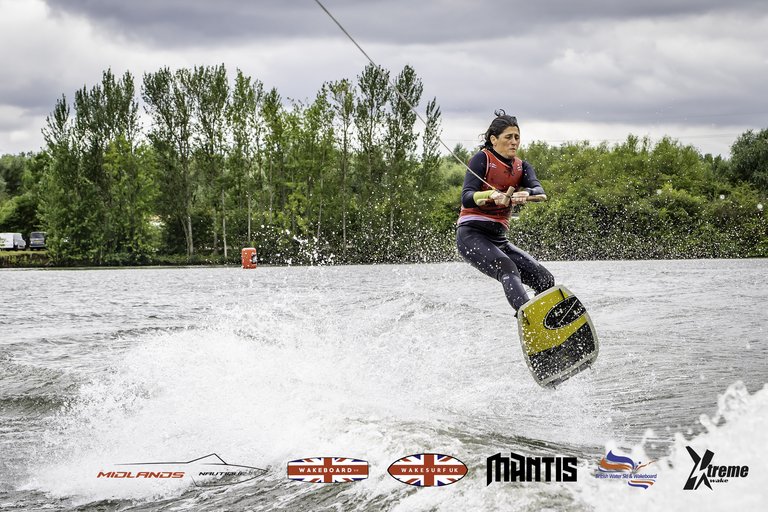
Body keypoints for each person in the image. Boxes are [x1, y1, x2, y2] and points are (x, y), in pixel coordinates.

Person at [456, 110, 554, 311]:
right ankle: (528, 318)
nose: (514, 142)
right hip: (471, 235)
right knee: (507, 268)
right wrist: (489, 195)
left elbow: (539, 191)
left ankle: (551, 325)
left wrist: (526, 193)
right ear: (494, 139)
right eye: (508, 137)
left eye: (517, 137)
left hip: (499, 239)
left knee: (545, 279)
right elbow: (466, 196)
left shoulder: (522, 167)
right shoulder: (482, 159)